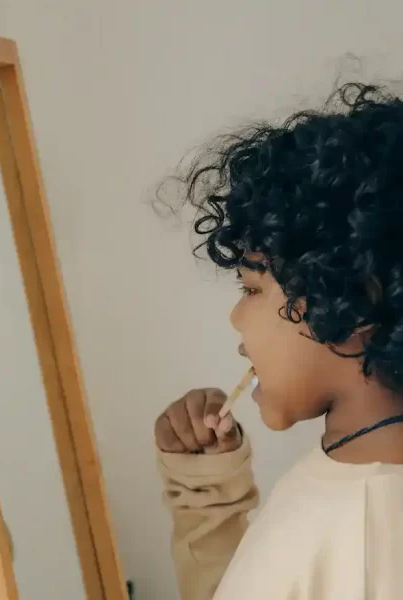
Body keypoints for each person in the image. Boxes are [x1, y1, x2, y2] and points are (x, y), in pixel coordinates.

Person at [155, 83, 403, 600]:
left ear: (355, 300)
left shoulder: (366, 536)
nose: (236, 318)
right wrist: (207, 490)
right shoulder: (348, 487)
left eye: (251, 287)